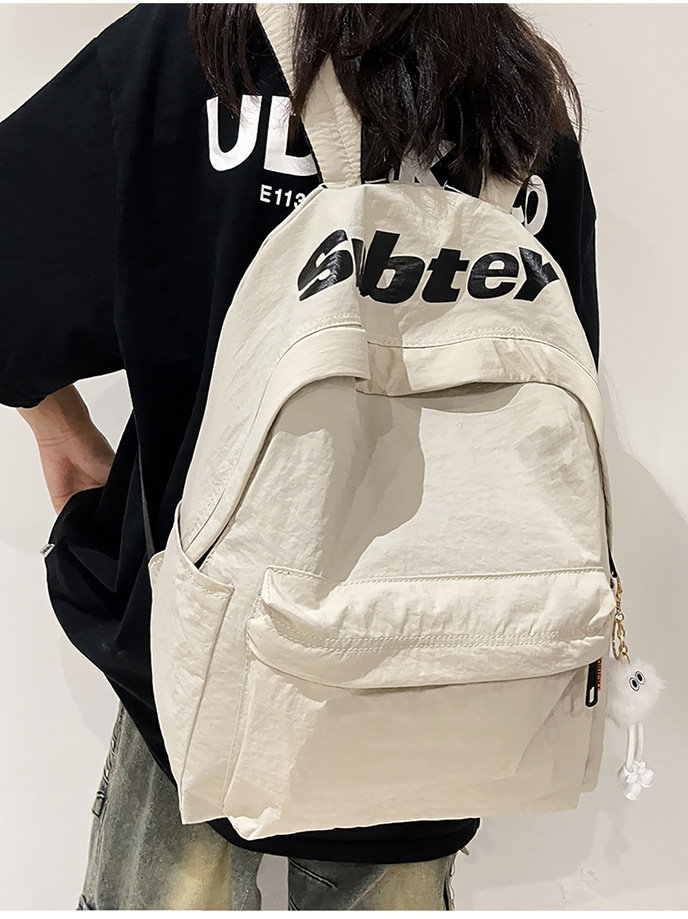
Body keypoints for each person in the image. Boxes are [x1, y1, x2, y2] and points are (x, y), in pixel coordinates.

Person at [0, 3, 599, 910]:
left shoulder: (188, 55)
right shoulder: (516, 94)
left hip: (206, 675)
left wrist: (61, 429)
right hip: (445, 688)